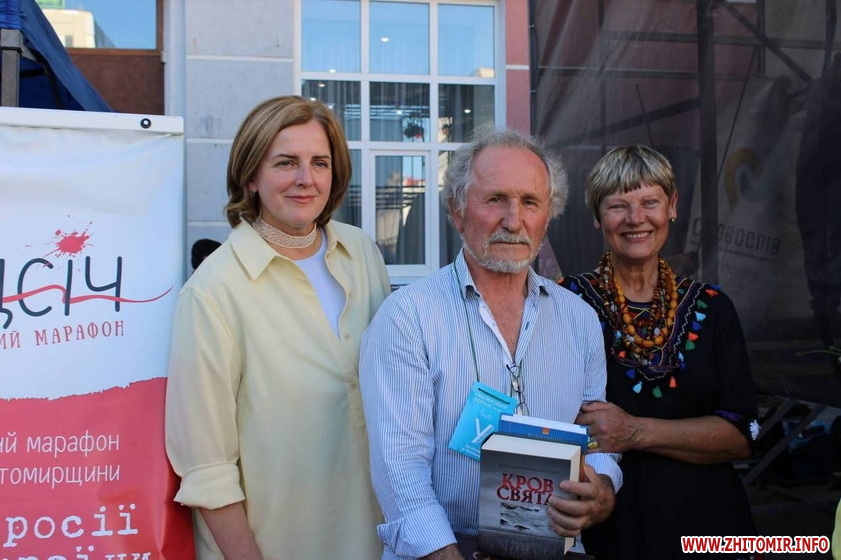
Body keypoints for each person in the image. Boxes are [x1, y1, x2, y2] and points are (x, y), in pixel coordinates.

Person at [359, 129, 622, 560]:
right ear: (457, 211)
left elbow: (597, 439)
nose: (513, 221)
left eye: (530, 202)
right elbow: (399, 469)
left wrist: (603, 488)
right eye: (496, 199)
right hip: (450, 548)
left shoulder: (579, 319)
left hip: (554, 549)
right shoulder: (408, 316)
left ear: (548, 217)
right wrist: (445, 553)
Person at [165, 96, 391, 560]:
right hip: (277, 544)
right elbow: (206, 466)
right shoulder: (213, 291)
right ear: (250, 176)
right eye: (286, 162)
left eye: (320, 162)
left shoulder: (362, 253)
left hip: (379, 538)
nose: (306, 179)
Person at [561, 145, 759, 559]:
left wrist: (635, 431)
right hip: (607, 525)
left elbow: (741, 435)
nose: (636, 219)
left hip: (708, 523)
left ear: (672, 207)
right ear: (597, 216)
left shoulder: (712, 307)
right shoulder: (566, 304)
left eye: (650, 202)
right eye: (618, 206)